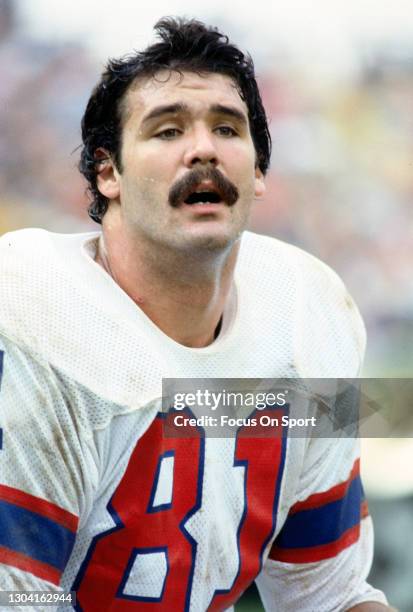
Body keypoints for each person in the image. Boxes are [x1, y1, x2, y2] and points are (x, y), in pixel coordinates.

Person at [0, 17, 392, 611]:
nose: (204, 146)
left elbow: (331, 595)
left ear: (258, 172)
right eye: (166, 130)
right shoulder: (36, 313)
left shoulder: (311, 313)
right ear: (108, 173)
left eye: (227, 128)